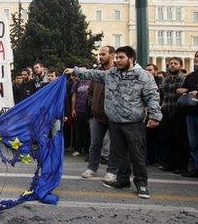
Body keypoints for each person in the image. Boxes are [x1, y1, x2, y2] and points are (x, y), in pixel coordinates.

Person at [64, 46, 162, 199]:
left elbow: (152, 96)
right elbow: (94, 74)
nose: (117, 60)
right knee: (119, 154)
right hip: (115, 121)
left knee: (137, 155)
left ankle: (141, 184)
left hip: (134, 123)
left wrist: (155, 116)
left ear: (131, 59)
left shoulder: (143, 75)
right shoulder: (111, 74)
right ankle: (123, 180)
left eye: (121, 57)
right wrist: (75, 70)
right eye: (116, 57)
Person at [81, 46, 117, 183]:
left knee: (114, 145)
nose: (100, 56)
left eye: (103, 54)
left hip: (114, 116)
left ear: (112, 55)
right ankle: (92, 168)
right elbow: (90, 92)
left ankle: (112, 171)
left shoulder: (117, 73)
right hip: (97, 115)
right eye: (99, 54)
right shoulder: (97, 73)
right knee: (95, 143)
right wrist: (92, 103)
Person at [158, 57, 189, 174]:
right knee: (166, 139)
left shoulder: (184, 78)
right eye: (170, 63)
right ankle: (167, 164)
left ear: (180, 66)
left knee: (180, 140)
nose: (172, 65)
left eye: (175, 63)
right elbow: (161, 96)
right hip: (165, 111)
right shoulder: (164, 80)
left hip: (179, 112)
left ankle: (181, 165)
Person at [177, 56, 198, 178]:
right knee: (193, 143)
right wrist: (184, 91)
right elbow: (183, 88)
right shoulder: (191, 75)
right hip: (191, 113)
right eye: (197, 57)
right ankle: (196, 167)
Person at [70, 66, 91, 157]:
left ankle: (88, 150)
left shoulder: (91, 81)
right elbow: (74, 97)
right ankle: (78, 149)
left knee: (88, 131)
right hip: (78, 109)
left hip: (88, 110)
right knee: (78, 130)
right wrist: (73, 109)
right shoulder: (77, 83)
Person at [144, 63, 161, 165]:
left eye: (150, 70)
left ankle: (154, 158)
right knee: (146, 138)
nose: (148, 72)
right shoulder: (143, 82)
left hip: (156, 114)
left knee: (155, 138)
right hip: (145, 114)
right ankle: (148, 158)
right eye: (146, 70)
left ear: (155, 71)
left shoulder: (160, 82)